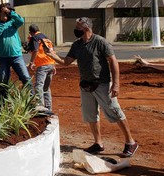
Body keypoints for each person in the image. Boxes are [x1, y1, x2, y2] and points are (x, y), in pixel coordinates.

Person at [45, 17, 138, 157]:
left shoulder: (100, 42)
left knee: (114, 111)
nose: (75, 30)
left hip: (103, 84)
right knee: (91, 115)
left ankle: (131, 142)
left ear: (87, 28)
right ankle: (98, 143)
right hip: (85, 85)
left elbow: (113, 61)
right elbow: (66, 62)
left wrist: (116, 84)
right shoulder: (76, 45)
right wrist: (51, 54)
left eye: (78, 27)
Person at [0, 3, 30, 89]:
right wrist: (3, 23)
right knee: (3, 81)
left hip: (16, 55)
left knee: (26, 78)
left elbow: (21, 21)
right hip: (2, 57)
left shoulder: (13, 22)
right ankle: (3, 100)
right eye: (4, 12)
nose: (6, 14)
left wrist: (10, 12)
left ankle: (32, 99)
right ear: (0, 12)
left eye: (8, 12)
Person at [27, 24, 56, 112]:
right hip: (50, 63)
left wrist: (31, 62)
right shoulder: (45, 37)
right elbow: (51, 51)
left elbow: (35, 50)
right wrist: (54, 65)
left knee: (39, 86)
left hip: (42, 65)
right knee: (46, 88)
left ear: (31, 32)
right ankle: (48, 108)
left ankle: (40, 105)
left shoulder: (35, 38)